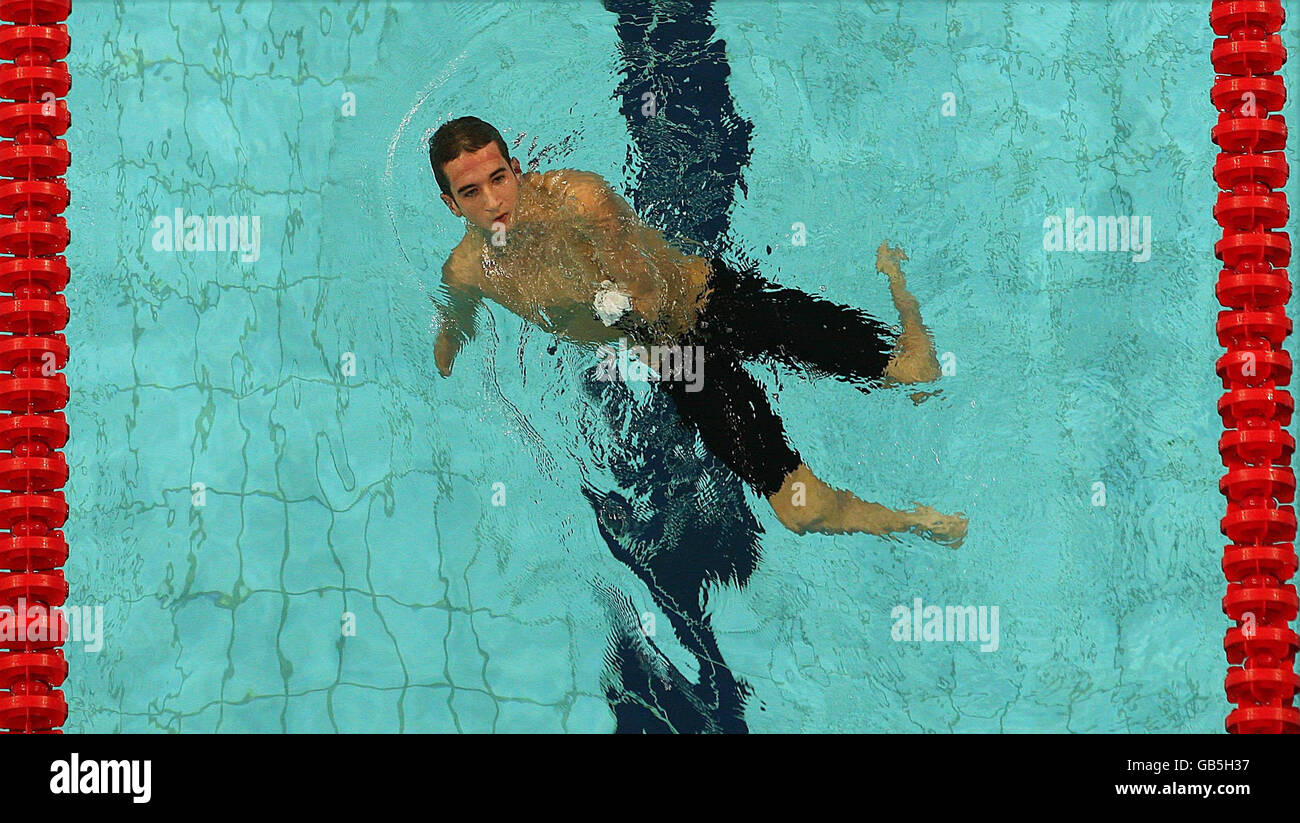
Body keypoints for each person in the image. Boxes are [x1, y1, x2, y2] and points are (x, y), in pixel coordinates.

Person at [428, 116, 968, 548]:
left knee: (909, 368)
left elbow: (648, 295)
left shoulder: (580, 199)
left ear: (516, 169)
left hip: (708, 301)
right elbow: (457, 316)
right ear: (452, 205)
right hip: (677, 361)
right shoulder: (468, 270)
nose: (495, 202)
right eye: (472, 192)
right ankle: (921, 523)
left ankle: (898, 283)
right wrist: (449, 343)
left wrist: (610, 298)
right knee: (804, 511)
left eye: (499, 179)